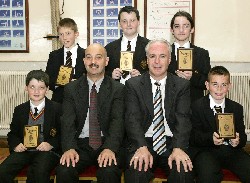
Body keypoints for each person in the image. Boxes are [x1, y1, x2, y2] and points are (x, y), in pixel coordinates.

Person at [124, 39, 194, 183]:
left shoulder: (182, 85)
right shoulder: (133, 85)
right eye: (152, 56)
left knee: (183, 174)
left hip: (172, 142)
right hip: (144, 141)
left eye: (162, 56)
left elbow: (183, 119)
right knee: (135, 175)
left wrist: (179, 147)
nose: (157, 61)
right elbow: (132, 119)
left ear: (169, 60)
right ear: (147, 60)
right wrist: (141, 146)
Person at [56, 43, 125, 183]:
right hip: (80, 145)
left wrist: (110, 148)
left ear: (106, 61)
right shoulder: (71, 88)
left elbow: (118, 122)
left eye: (98, 57)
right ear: (84, 61)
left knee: (109, 172)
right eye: (89, 57)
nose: (93, 62)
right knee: (64, 170)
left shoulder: (118, 89)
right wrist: (69, 147)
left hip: (106, 142)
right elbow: (67, 121)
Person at [189, 66, 250, 183]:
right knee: (207, 176)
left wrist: (238, 140)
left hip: (231, 151)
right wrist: (210, 138)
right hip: (206, 151)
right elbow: (192, 136)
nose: (219, 89)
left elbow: (243, 137)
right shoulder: (196, 107)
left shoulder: (236, 108)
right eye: (215, 84)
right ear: (207, 85)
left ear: (229, 86)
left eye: (224, 85)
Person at [0, 70, 62, 183]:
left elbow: (64, 134)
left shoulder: (57, 109)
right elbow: (12, 134)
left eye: (41, 87)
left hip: (47, 152)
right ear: (26, 88)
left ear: (47, 89)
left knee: (38, 171)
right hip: (24, 150)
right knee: (3, 171)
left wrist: (51, 144)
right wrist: (16, 145)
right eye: (32, 87)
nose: (36, 91)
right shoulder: (19, 110)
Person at [168, 11, 211, 103]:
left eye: (186, 26)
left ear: (192, 29)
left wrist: (192, 77)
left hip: (194, 105)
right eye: (177, 26)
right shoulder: (164, 53)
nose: (181, 30)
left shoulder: (202, 54)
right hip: (170, 105)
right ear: (172, 30)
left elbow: (208, 82)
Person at [105, 6, 150, 84]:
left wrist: (141, 76)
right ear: (120, 24)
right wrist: (111, 76)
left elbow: (157, 72)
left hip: (140, 93)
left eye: (132, 20)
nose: (129, 24)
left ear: (138, 22)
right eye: (124, 21)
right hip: (117, 93)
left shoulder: (149, 46)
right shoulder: (109, 48)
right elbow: (101, 74)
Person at [46, 18, 86, 104]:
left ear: (76, 34)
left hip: (80, 101)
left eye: (68, 33)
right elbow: (48, 80)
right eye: (61, 34)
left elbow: (91, 78)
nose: (64, 38)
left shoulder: (86, 55)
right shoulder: (53, 56)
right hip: (59, 101)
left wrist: (78, 83)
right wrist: (60, 83)